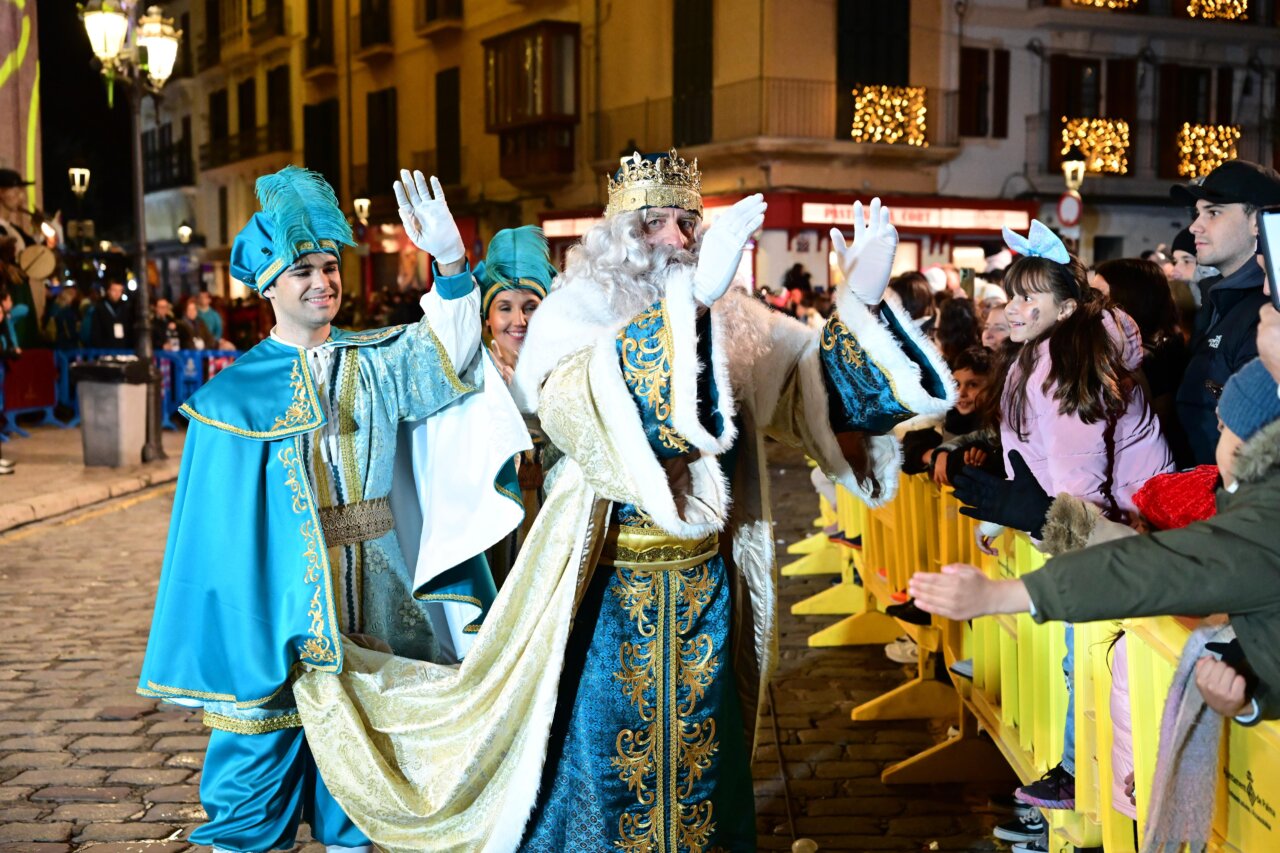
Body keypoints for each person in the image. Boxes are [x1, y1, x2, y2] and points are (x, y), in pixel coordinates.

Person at [287, 150, 957, 850]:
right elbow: (588, 415)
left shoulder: (734, 313)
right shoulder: (576, 313)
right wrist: (690, 304)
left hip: (710, 587)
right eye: (657, 222)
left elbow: (816, 397)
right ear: (619, 233)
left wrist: (865, 300)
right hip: (604, 589)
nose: (677, 237)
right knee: (603, 768)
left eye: (687, 221)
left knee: (706, 758)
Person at [135, 165, 529, 853]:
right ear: (269, 288)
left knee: (370, 787)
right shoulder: (231, 400)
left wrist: (450, 261)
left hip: (378, 594)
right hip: (276, 612)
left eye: (329, 265)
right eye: (303, 271)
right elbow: (218, 541)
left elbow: (453, 348)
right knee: (254, 787)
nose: (323, 281)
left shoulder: (377, 361)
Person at [909, 357, 1280, 850]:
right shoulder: (1242, 503)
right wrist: (1253, 688)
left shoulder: (1261, 521)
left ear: (1254, 443)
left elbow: (1150, 568)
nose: (1217, 438)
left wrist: (1004, 594)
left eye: (1223, 427)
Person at [984, 220, 1174, 819]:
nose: (1011, 310)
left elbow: (1079, 494)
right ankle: (1082, 775)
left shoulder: (1065, 365)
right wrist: (1006, 515)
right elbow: (1035, 457)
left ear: (1066, 309)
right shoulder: (1045, 352)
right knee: (1079, 653)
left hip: (1129, 530)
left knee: (1085, 655)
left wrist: (1030, 523)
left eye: (1026, 299)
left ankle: (1082, 779)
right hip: (1106, 527)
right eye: (1010, 295)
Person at [1173, 159, 1280, 465]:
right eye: (1197, 213)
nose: (1195, 226)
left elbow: (1260, 442)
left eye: (1214, 213)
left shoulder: (1269, 314)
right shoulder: (1217, 299)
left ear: (1257, 222)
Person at [1092, 258, 1192, 466]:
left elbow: (1159, 423)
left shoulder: (1149, 356)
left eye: (1100, 295)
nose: (1090, 304)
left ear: (1128, 298)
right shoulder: (1154, 345)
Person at [88, 277, 135, 350]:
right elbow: (96, 332)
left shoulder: (126, 308)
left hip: (123, 349)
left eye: (120, 291)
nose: (117, 293)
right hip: (105, 350)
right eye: (114, 290)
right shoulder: (100, 308)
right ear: (108, 291)